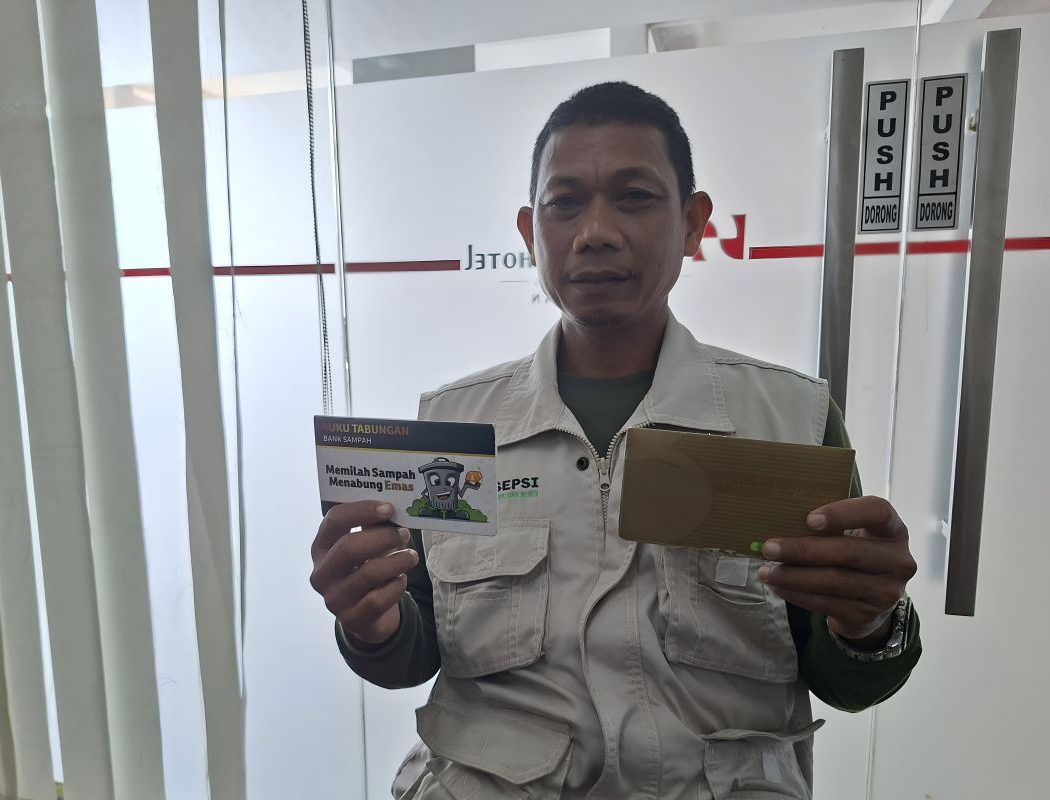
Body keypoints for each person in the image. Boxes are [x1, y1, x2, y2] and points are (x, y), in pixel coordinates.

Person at [309, 81, 921, 800]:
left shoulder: (789, 420)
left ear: (693, 223)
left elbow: (848, 680)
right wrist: (371, 625)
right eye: (564, 202)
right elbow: (412, 653)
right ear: (529, 231)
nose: (595, 230)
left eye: (634, 197)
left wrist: (872, 624)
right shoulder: (455, 428)